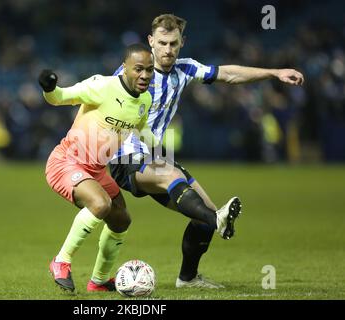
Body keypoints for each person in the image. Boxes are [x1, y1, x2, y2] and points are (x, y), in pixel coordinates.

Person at [109, 14, 304, 288]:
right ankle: (218, 220)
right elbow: (100, 103)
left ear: (182, 43)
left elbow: (229, 74)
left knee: (204, 216)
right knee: (177, 180)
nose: (167, 50)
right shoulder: (133, 73)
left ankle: (187, 277)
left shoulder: (185, 70)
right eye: (162, 43)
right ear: (151, 42)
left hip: (154, 158)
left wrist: (273, 73)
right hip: (124, 159)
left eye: (173, 44)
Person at [40, 43, 155, 292]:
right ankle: (61, 261)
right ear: (124, 68)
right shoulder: (102, 86)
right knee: (101, 204)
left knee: (121, 219)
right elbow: (59, 97)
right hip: (66, 162)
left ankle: (99, 281)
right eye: (138, 69)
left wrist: (158, 157)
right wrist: (49, 86)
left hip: (97, 170)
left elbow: (141, 132)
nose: (145, 75)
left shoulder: (145, 100)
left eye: (149, 70)